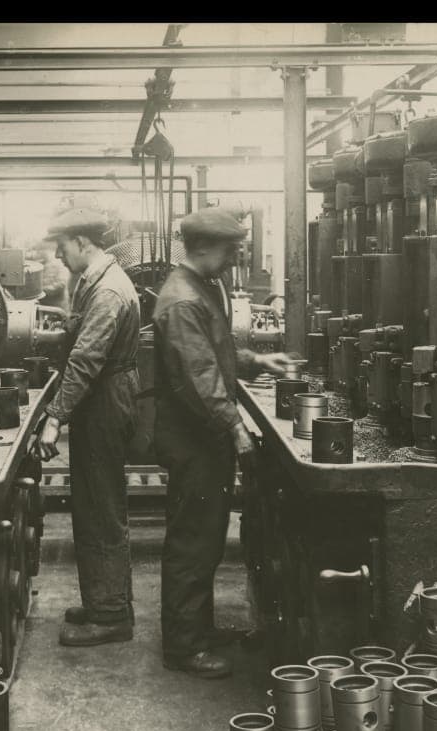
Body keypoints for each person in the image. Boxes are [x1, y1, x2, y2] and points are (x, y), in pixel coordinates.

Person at [152, 207, 297, 679]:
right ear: (204, 247)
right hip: (193, 439)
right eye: (232, 249)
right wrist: (236, 430)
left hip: (203, 436)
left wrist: (258, 359)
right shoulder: (180, 300)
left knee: (207, 536)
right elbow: (200, 379)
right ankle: (184, 646)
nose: (237, 258)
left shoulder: (201, 288)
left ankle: (197, 628)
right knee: (194, 539)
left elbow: (218, 353)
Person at [33, 208, 142, 647]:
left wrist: (54, 418)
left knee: (101, 506)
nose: (57, 254)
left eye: (62, 245)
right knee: (96, 502)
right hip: (101, 397)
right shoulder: (93, 283)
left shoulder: (108, 292)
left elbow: (86, 360)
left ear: (82, 242)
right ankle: (106, 601)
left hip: (104, 401)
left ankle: (112, 615)